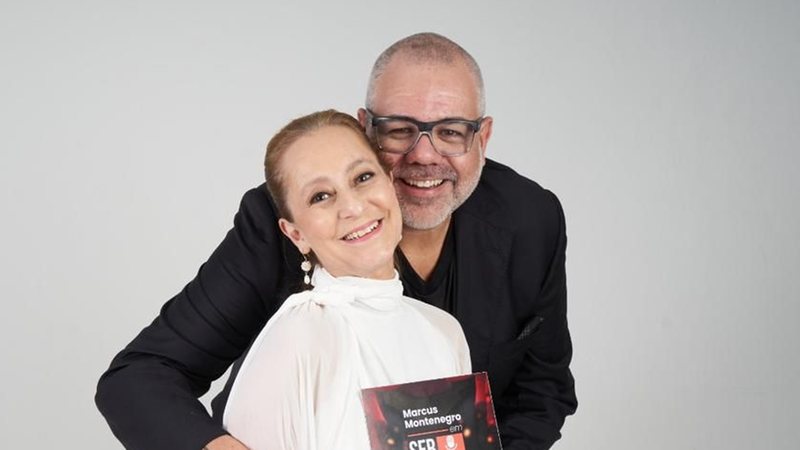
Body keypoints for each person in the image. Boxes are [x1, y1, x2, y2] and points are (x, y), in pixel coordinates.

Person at [96, 32, 577, 450]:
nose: (424, 156)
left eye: (451, 131)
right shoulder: (279, 222)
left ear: (483, 138)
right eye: (400, 131)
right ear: (365, 130)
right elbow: (138, 380)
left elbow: (542, 390)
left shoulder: (530, 220)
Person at [222, 110, 471, 449]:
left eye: (363, 177)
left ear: (389, 181)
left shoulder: (445, 332)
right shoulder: (299, 339)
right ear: (296, 234)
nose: (352, 207)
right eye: (320, 196)